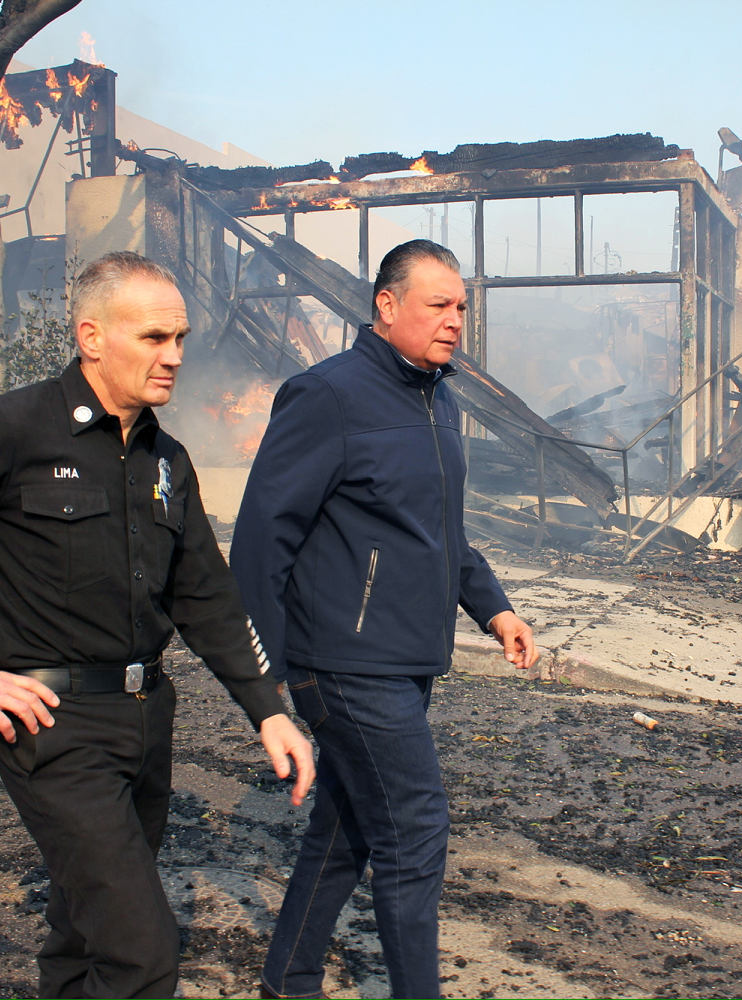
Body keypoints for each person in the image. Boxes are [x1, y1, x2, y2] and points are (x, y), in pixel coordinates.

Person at [0, 251, 313, 999]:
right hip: (52, 726)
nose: (174, 356)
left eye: (180, 338)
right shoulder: (7, 432)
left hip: (147, 721)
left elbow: (206, 597)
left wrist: (266, 711)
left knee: (84, 938)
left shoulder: (164, 459)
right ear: (91, 337)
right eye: (154, 338)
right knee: (140, 953)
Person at [230, 239, 539, 999]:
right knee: (415, 828)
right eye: (438, 304)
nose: (455, 320)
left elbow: (440, 531)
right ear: (386, 307)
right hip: (342, 658)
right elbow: (262, 536)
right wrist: (263, 680)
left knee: (347, 828)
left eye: (462, 306)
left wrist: (495, 609)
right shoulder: (327, 395)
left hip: (403, 656)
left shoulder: (441, 400)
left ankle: (289, 980)